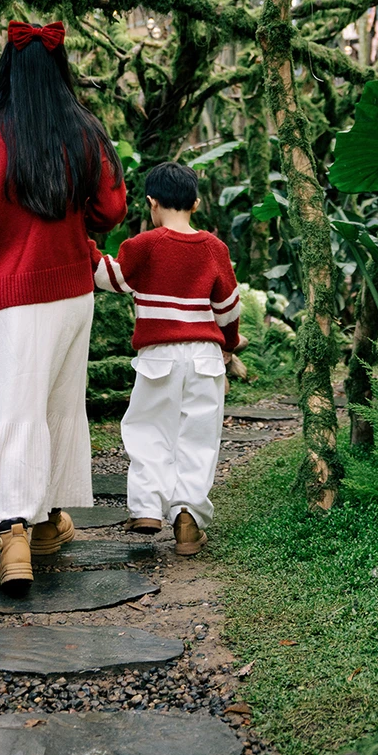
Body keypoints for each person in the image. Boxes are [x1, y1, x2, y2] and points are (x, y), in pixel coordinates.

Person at [0, 20, 126, 592]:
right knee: (56, 405)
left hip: (11, 297)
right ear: (61, 70)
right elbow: (110, 206)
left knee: (15, 410)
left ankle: (14, 536)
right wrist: (71, 224)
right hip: (71, 294)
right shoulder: (83, 129)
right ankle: (46, 524)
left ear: (8, 68)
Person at [90, 161, 244, 555]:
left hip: (158, 354)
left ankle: (145, 508)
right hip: (205, 356)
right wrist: (229, 344)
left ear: (151, 203)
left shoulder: (143, 245)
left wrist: (83, 244)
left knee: (148, 430)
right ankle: (188, 520)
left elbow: (111, 278)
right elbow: (227, 308)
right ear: (195, 202)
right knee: (198, 438)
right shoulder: (215, 249)